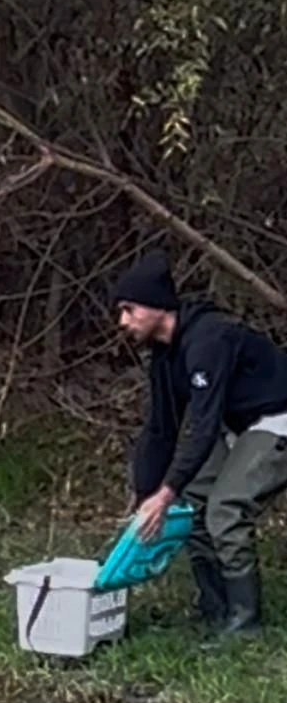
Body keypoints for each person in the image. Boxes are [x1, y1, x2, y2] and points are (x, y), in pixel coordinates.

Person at [113, 249, 287, 638]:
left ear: (157, 306)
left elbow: (203, 424)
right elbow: (161, 429)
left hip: (280, 419)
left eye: (129, 309)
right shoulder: (163, 357)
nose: (122, 322)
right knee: (195, 502)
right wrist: (147, 495)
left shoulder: (209, 338)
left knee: (225, 508)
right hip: (245, 426)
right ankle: (216, 611)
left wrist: (165, 491)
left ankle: (245, 627)